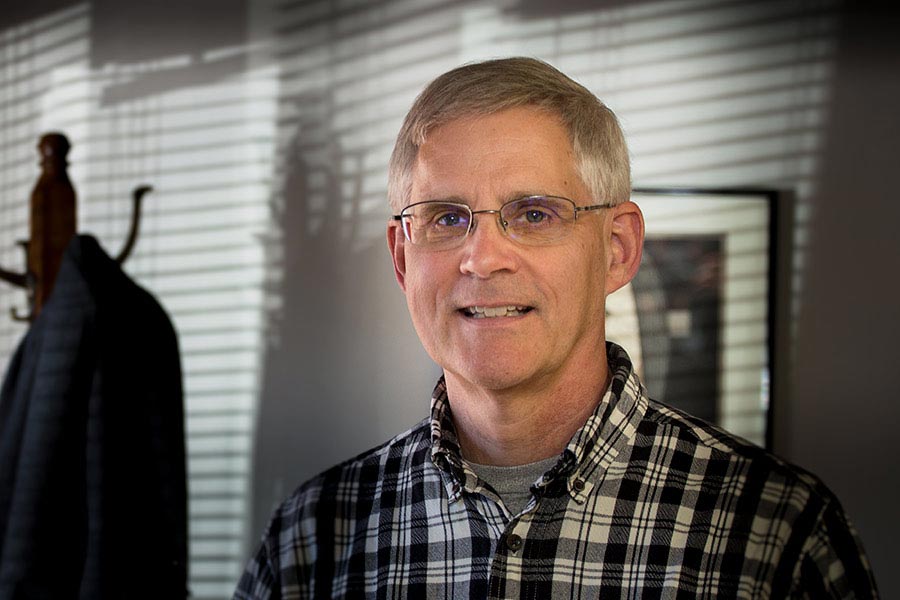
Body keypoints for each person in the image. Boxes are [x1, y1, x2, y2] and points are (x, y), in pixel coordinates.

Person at [234, 57, 878, 599]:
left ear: (618, 249)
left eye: (535, 213)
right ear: (403, 259)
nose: (483, 258)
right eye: (446, 218)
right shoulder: (311, 536)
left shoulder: (775, 531)